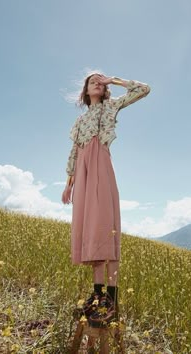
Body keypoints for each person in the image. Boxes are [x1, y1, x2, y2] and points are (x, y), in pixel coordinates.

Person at [62, 72, 150, 326]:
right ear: (86, 91)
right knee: (90, 227)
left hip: (101, 164)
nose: (97, 84)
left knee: (104, 224)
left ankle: (112, 297)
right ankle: (98, 294)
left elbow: (144, 89)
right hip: (83, 173)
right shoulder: (79, 121)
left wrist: (116, 81)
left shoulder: (111, 106)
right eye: (93, 82)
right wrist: (69, 184)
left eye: (100, 82)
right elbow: (74, 153)